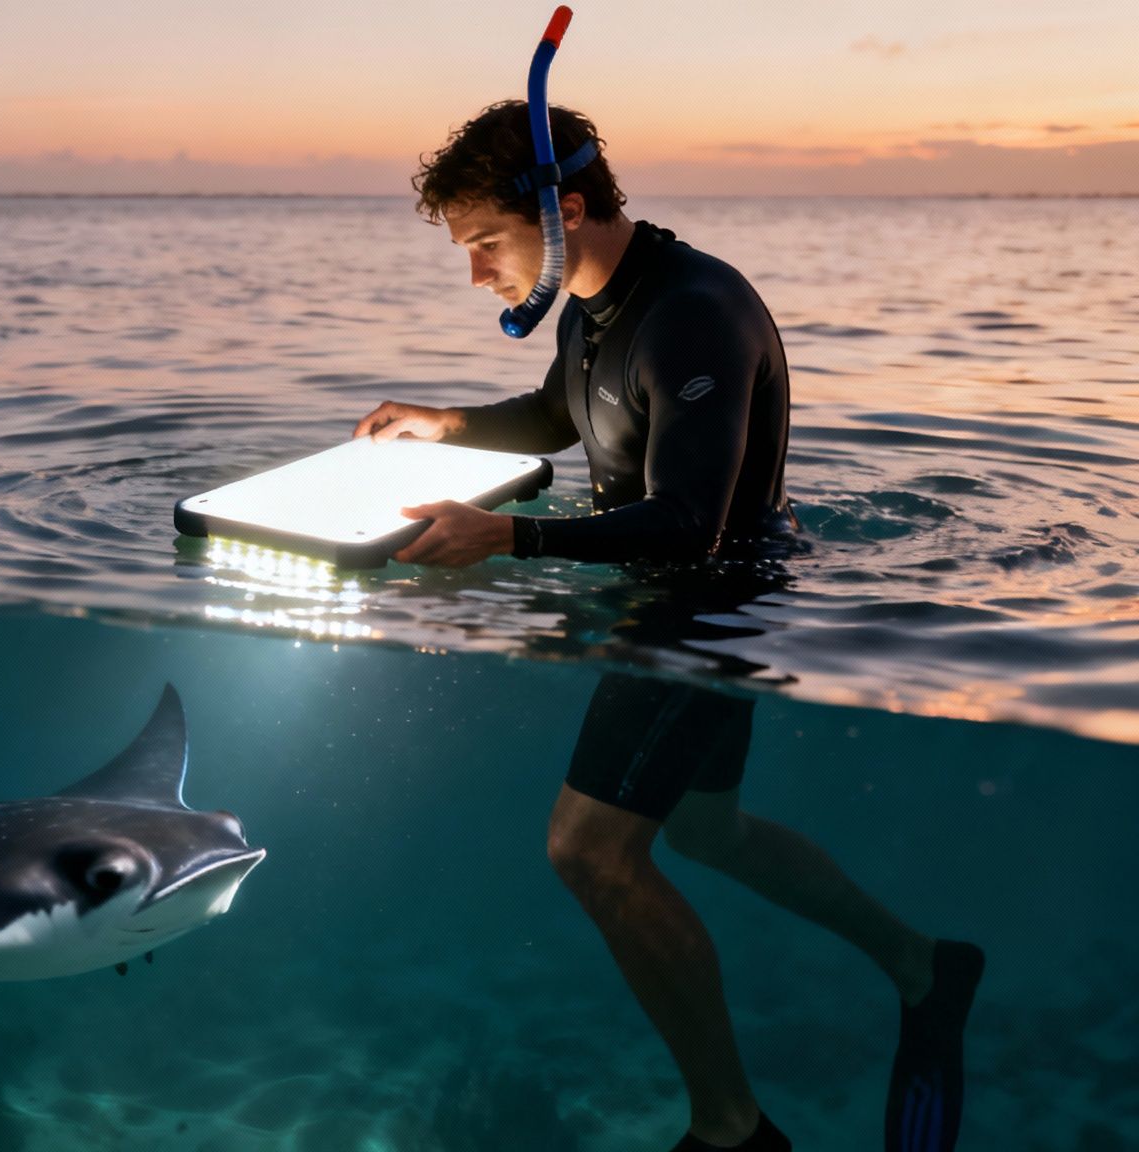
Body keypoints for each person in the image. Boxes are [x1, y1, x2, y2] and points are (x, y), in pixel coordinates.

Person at [353, 101, 983, 1152]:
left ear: (562, 211)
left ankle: (732, 1130)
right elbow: (560, 413)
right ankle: (926, 966)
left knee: (589, 850)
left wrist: (509, 537)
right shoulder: (591, 301)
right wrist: (445, 422)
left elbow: (691, 523)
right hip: (664, 590)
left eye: (486, 244)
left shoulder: (692, 312)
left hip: (708, 605)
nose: (474, 274)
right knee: (703, 831)